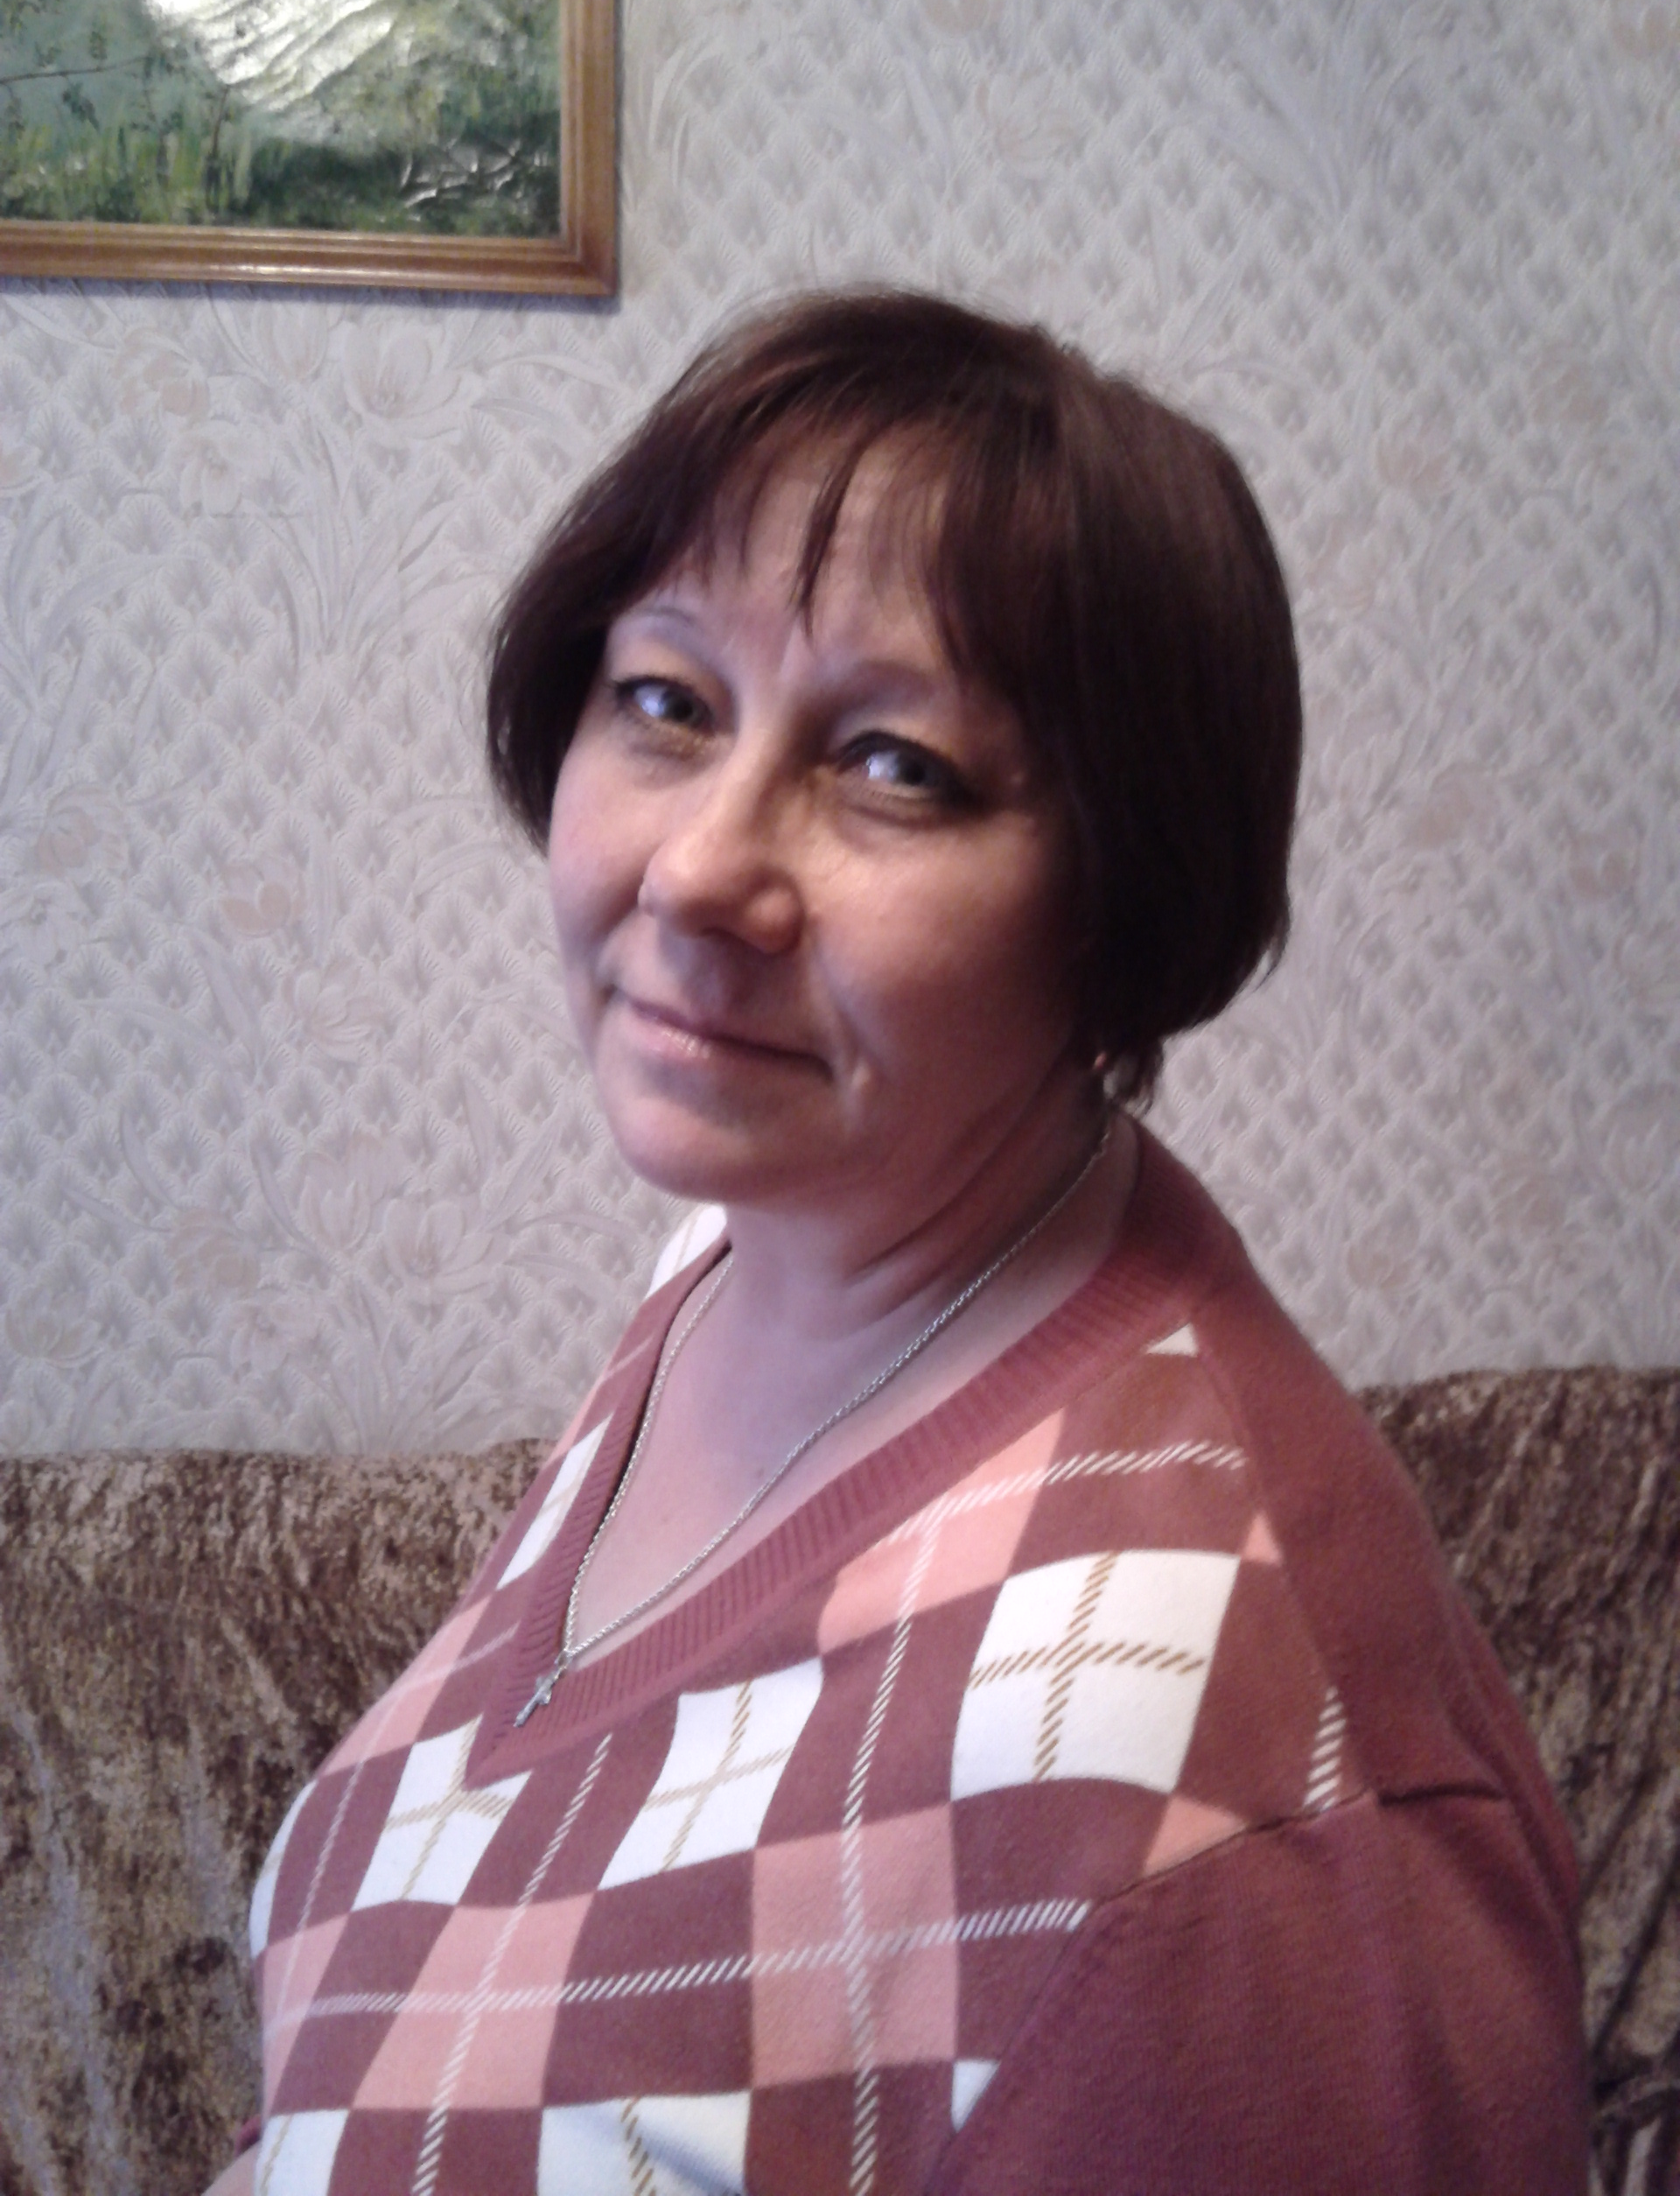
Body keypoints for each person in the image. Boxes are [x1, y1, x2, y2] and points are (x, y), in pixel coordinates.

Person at [212, 291, 1589, 2195]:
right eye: (669, 701)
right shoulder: (738, 1253)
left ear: (1123, 898)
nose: (701, 868)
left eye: (897, 766)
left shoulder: (1220, 1803)